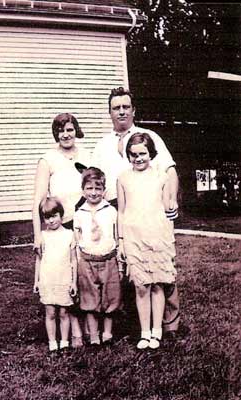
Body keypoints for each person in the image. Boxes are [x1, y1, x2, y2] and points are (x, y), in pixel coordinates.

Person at [92, 87, 180, 334]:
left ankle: (169, 325)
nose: (121, 111)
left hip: (152, 210)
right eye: (116, 108)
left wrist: (170, 200)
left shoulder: (149, 136)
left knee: (162, 271)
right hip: (118, 210)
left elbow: (170, 171)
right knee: (129, 269)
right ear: (109, 113)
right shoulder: (102, 145)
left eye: (125, 107)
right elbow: (94, 180)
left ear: (133, 110)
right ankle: (135, 324)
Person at [32, 113, 90, 348]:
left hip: (84, 222)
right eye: (61, 130)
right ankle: (74, 329)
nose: (66, 134)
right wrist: (38, 234)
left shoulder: (86, 154)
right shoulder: (48, 159)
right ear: (55, 134)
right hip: (60, 225)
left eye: (70, 129)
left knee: (83, 273)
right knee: (63, 274)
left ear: (76, 130)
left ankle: (89, 324)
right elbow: (37, 200)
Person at [117, 132, 177, 349]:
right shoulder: (123, 178)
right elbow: (121, 212)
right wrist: (121, 240)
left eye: (142, 153)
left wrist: (173, 209)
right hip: (134, 236)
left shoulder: (162, 177)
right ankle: (144, 332)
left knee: (157, 284)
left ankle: (157, 332)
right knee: (142, 286)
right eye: (133, 155)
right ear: (128, 156)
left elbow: (168, 207)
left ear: (150, 153)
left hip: (157, 235)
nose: (138, 158)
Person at [73, 167, 122, 345]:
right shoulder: (79, 214)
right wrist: (78, 263)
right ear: (83, 190)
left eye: (98, 188)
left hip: (108, 260)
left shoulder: (111, 212)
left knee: (111, 297)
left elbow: (117, 237)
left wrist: (120, 262)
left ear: (104, 190)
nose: (94, 193)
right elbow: (77, 240)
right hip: (87, 262)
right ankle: (94, 336)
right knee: (89, 299)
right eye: (89, 188)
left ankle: (107, 334)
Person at [33, 197, 78, 352]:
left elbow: (74, 260)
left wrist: (74, 282)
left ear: (61, 215)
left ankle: (64, 342)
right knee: (50, 312)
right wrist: (36, 281)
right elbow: (38, 260)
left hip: (64, 278)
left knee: (64, 312)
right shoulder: (42, 236)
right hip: (48, 279)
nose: (51, 220)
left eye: (54, 216)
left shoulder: (69, 234)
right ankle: (53, 343)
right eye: (47, 217)